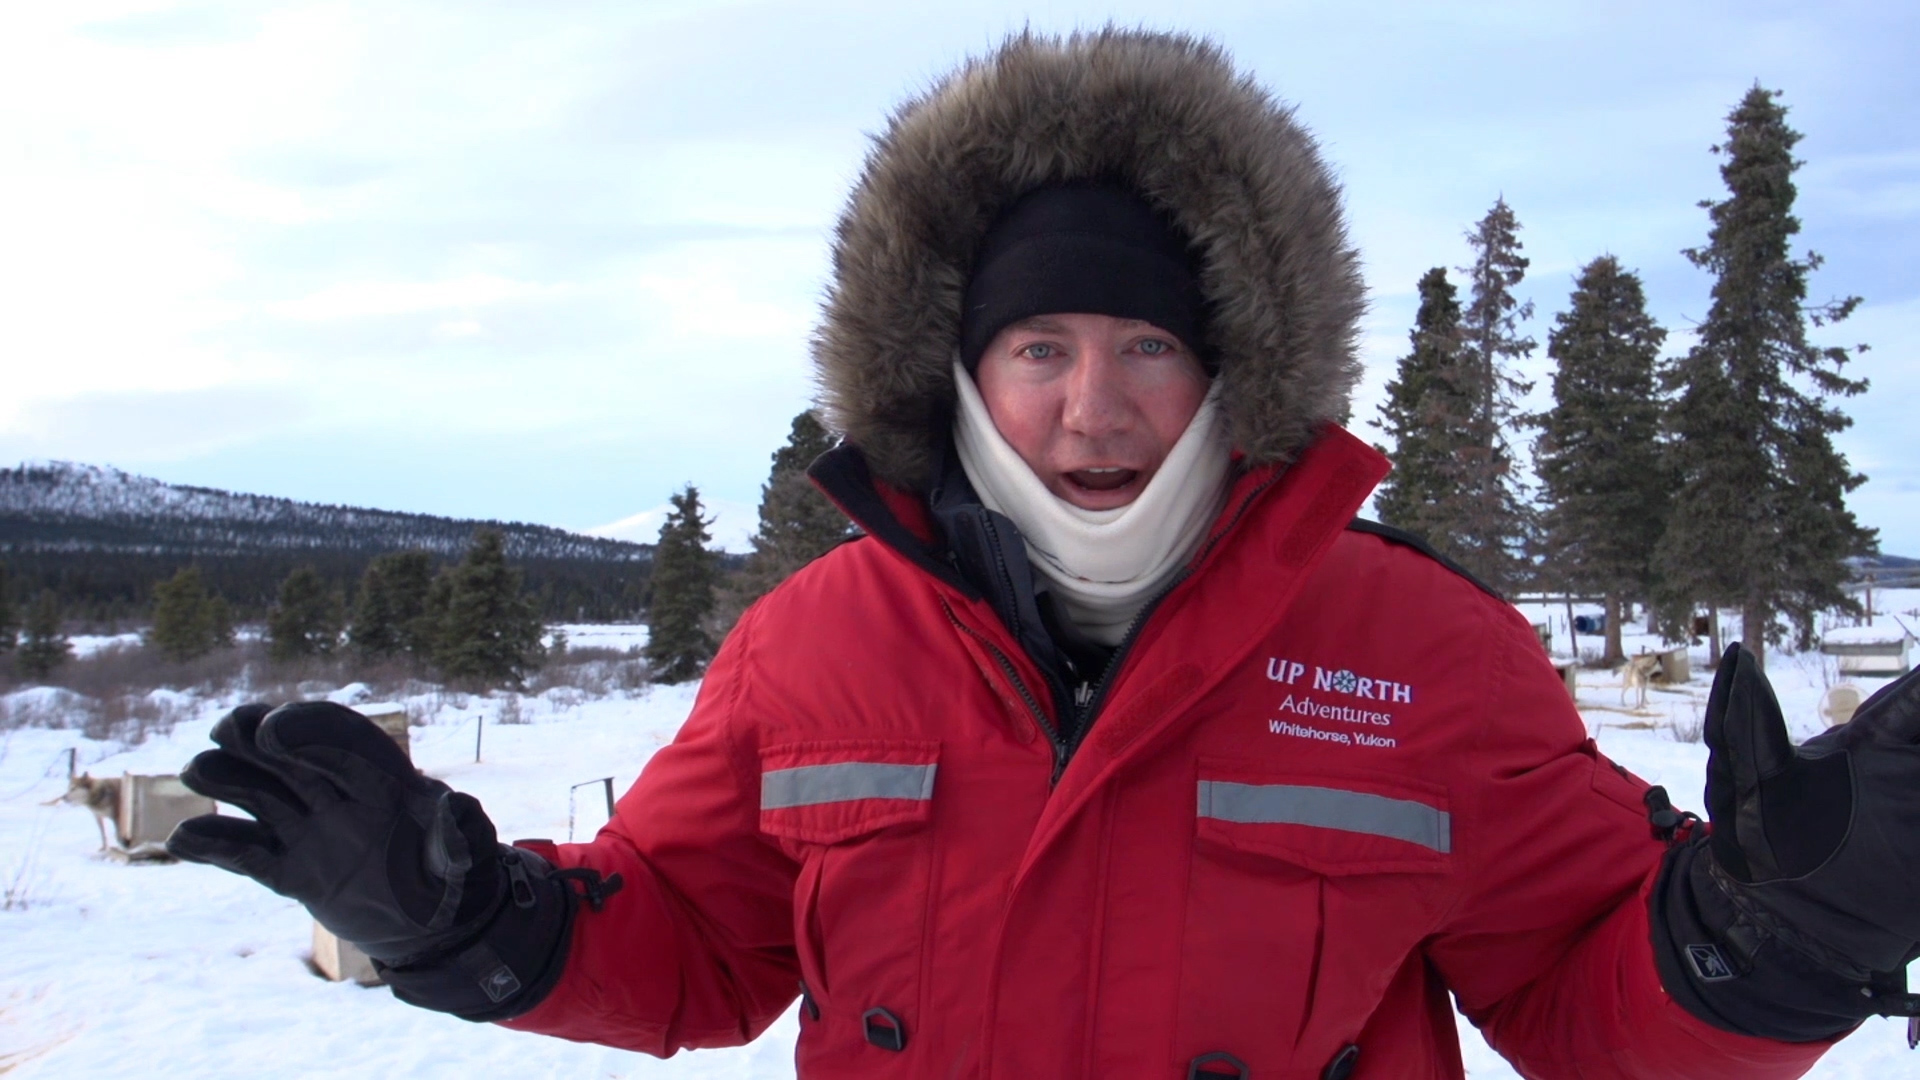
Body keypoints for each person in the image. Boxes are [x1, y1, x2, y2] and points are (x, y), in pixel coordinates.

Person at [169, 29, 1920, 1079]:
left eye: (1151, 346)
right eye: (1041, 349)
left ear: (1233, 372)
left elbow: (1592, 1004)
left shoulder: (1425, 654)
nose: (1097, 407)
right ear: (959, 373)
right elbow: (693, 941)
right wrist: (468, 920)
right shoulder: (809, 647)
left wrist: (1780, 929)